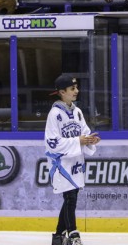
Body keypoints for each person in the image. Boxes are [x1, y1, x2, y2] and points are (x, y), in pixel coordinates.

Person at [45, 74, 100, 245]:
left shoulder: (77, 112)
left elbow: (84, 132)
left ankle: (58, 236)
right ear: (62, 92)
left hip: (75, 162)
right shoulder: (54, 114)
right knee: (70, 198)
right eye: (72, 88)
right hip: (60, 163)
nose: (77, 91)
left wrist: (90, 140)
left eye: (76, 87)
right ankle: (73, 234)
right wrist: (78, 141)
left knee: (72, 196)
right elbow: (52, 142)